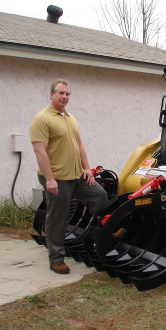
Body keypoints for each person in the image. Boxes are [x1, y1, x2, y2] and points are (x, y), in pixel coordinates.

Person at [29, 79, 117, 274]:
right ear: (51, 94)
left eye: (68, 94)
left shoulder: (70, 118)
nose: (65, 97)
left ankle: (106, 233)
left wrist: (87, 168)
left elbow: (79, 146)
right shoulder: (42, 119)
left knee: (99, 196)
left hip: (77, 175)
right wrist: (50, 179)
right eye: (61, 93)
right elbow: (40, 152)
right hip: (57, 178)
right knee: (58, 218)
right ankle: (56, 259)